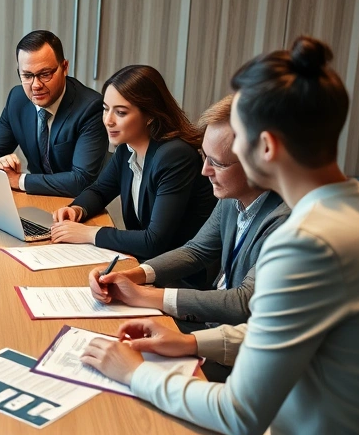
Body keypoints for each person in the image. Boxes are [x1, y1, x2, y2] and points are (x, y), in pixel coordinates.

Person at [53, 37, 359, 435]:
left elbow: (240, 414)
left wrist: (135, 374)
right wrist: (189, 342)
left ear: (265, 147)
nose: (211, 160)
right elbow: (285, 330)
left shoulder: (305, 244)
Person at [91, 94, 290, 331]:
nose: (205, 171)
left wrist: (142, 296)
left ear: (260, 163)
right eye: (205, 157)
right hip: (213, 323)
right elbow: (196, 251)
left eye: (218, 163)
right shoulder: (232, 195)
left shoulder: (286, 220)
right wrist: (133, 275)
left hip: (239, 342)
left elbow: (243, 302)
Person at [50, 65, 216, 265]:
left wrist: (88, 233)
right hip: (143, 262)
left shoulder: (175, 156)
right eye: (105, 109)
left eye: (120, 112)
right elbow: (100, 190)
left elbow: (154, 241)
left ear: (150, 115)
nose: (108, 121)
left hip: (180, 276)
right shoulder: (127, 148)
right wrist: (77, 209)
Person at [0, 30, 107, 197]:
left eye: (45, 75)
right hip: (35, 197)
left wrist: (19, 180)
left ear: (64, 67)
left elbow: (81, 181)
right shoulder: (18, 99)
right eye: (27, 75)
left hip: (77, 203)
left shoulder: (91, 108)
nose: (35, 85)